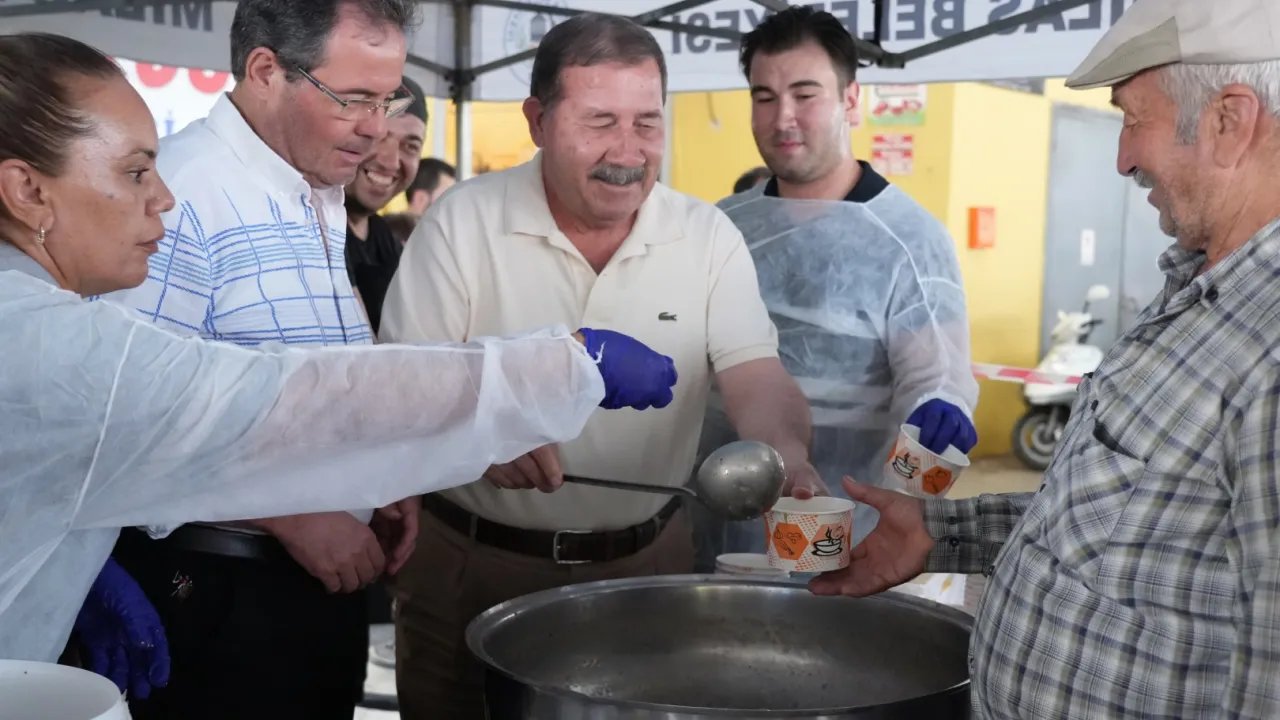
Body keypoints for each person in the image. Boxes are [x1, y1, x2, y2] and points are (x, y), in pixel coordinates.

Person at [0, 30, 677, 703]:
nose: (163, 198)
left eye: (386, 102)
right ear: (27, 191)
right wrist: (562, 367)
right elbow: (290, 397)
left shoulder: (316, 193)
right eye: (135, 172)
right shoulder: (44, 339)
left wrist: (78, 557)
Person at [820, 0, 1280, 717]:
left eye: (1133, 119)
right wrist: (940, 531)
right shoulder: (1197, 293)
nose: (1123, 158)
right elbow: (1127, 531)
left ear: (1229, 122)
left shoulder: (1267, 345)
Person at [379, 12, 824, 718]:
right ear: (538, 121)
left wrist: (786, 454)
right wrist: (482, 434)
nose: (628, 151)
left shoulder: (705, 236)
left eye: (647, 123)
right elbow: (400, 387)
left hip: (648, 566)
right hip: (472, 561)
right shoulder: (463, 224)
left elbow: (755, 374)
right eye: (600, 122)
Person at [695, 6, 978, 567]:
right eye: (764, 97)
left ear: (851, 100)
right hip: (714, 528)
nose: (783, 118)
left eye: (805, 95)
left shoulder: (909, 240)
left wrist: (939, 409)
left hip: (846, 539)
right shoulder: (719, 226)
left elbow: (935, 376)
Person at [344, 74, 426, 334]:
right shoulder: (317, 232)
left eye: (410, 146)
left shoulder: (384, 236)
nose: (390, 162)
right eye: (379, 136)